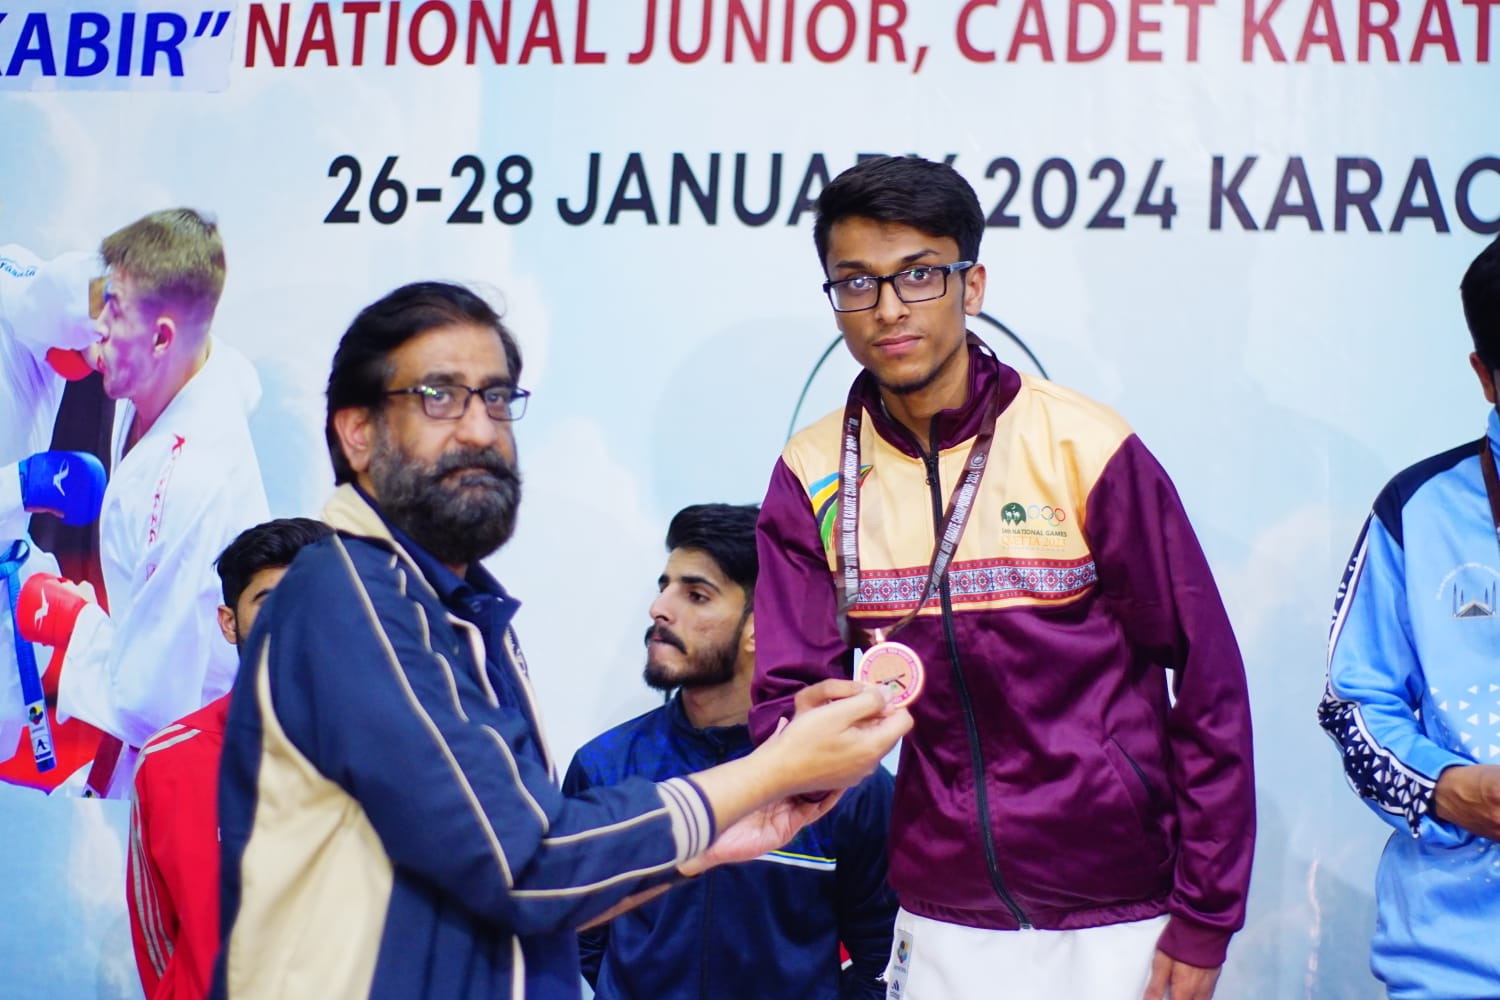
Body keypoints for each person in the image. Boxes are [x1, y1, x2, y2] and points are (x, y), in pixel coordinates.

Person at [211, 281, 910, 1000]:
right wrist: (771, 772)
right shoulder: (353, 600)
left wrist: (714, 837)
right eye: (439, 397)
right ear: (358, 432)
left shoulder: (463, 618)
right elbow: (526, 868)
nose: (480, 429)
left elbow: (510, 887)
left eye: (495, 398)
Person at [748, 156, 1256, 1000]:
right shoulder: (813, 473)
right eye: (857, 283)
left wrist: (1206, 915)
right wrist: (800, 732)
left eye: (918, 275)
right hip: (943, 916)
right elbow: (785, 698)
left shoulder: (1085, 447)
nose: (888, 308)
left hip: (1121, 912)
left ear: (972, 285)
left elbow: (1209, 683)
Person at [564, 502, 897, 999]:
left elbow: (881, 957)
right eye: (663, 586)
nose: (659, 608)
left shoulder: (844, 785)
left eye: (696, 595)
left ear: (762, 625)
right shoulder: (603, 767)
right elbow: (578, 933)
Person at [17, 208, 270, 797]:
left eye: (112, 314)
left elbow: (154, 709)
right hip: (152, 683)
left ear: (160, 337)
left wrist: (76, 623)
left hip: (192, 751)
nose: (95, 330)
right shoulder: (200, 364)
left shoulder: (188, 481)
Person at [1319, 236, 1500, 1000]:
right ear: (1484, 376)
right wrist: (1448, 788)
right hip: (1454, 965)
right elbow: (1353, 708)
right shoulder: (1417, 512)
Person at [127, 516, 331, 1000]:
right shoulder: (167, 763)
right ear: (228, 622)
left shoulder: (390, 752)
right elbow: (156, 936)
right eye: (267, 600)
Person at [0, 243, 110, 789]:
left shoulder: (11, 280)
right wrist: (20, 485)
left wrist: (110, 309)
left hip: (13, 594)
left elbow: (61, 292)